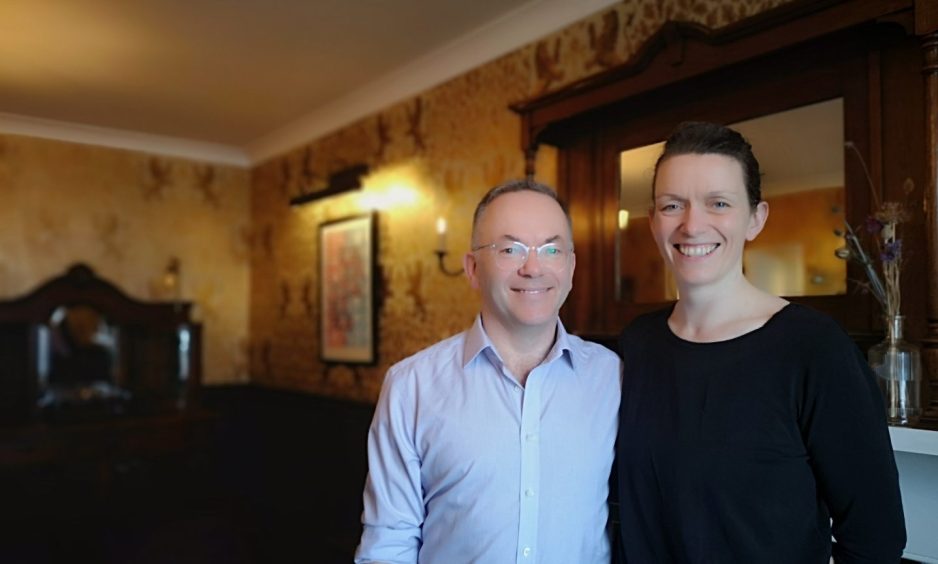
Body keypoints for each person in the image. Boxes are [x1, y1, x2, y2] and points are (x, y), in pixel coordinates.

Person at [614, 121, 906, 563]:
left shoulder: (814, 349)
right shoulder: (636, 344)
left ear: (755, 219)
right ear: (653, 221)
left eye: (718, 203)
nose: (693, 225)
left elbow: (875, 537)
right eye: (673, 205)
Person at [355, 179, 621, 563]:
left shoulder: (612, 377)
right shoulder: (410, 387)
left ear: (571, 266)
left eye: (551, 249)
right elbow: (388, 545)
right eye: (510, 249)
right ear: (473, 268)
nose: (533, 267)